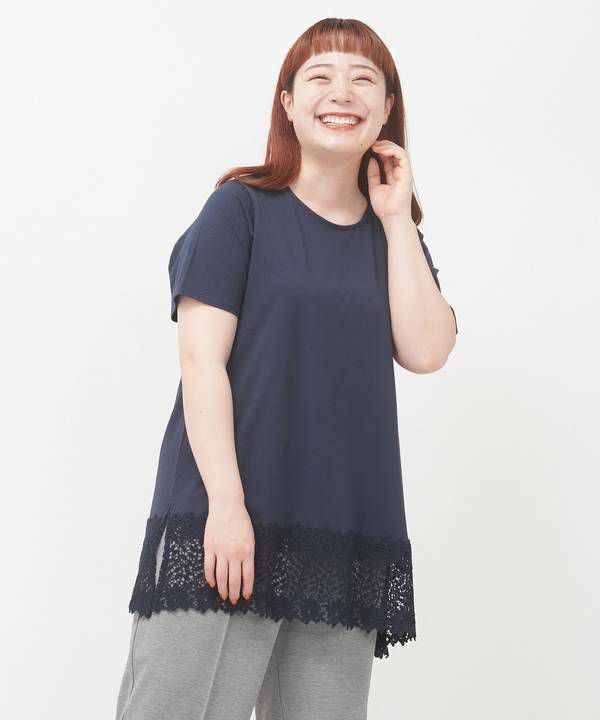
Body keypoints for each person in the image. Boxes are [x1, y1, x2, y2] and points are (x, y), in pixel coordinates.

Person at [115, 17, 458, 720]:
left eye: (364, 79)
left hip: (342, 533)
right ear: (288, 103)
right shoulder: (239, 210)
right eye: (320, 76)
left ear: (388, 108)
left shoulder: (393, 238)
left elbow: (427, 351)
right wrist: (226, 506)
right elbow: (201, 362)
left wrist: (398, 218)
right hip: (229, 520)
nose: (343, 92)